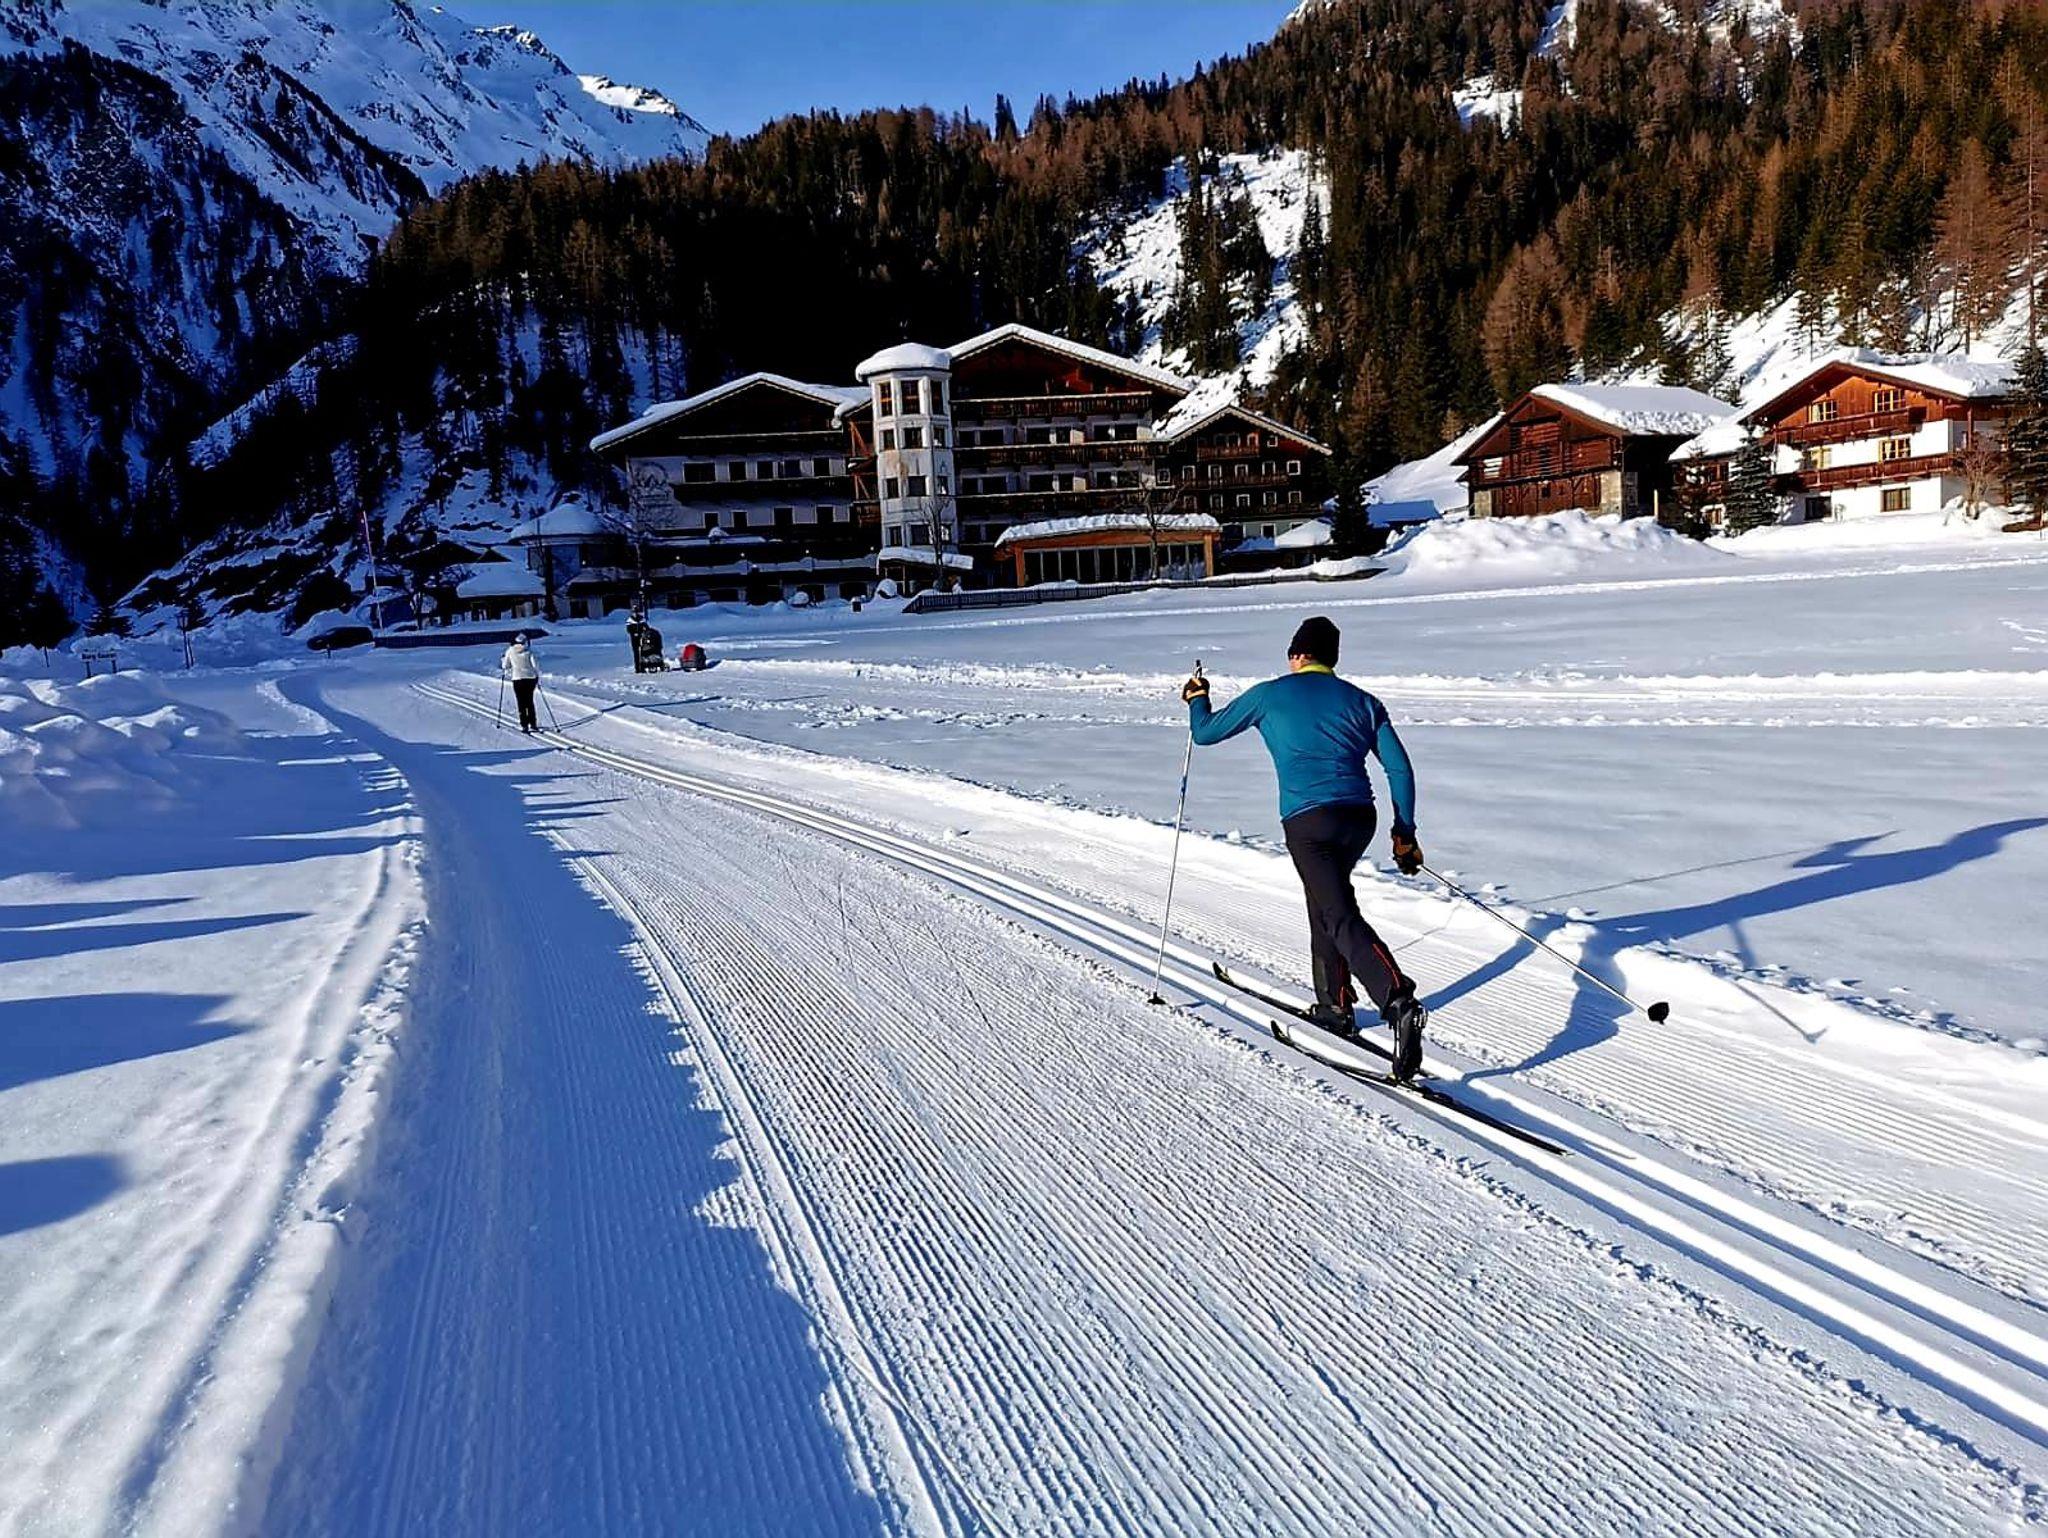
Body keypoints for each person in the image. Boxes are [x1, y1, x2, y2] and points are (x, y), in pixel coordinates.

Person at [1183, 616, 1429, 1080]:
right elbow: (1399, 769)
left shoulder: (1269, 695)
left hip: (1309, 823)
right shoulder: (1364, 701)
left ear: (1297, 655)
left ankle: (1398, 1000)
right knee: (1326, 901)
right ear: (1331, 659)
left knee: (1338, 914)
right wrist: (1405, 831)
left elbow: (1206, 732)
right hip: (1359, 818)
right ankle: (1334, 1005)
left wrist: (1197, 699)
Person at [501, 632, 541, 732]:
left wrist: (503, 659)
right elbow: (535, 665)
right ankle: (533, 723)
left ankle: (524, 725)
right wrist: (536, 675)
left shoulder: (510, 651)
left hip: (517, 678)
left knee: (521, 702)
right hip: (530, 678)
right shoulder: (529, 651)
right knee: (529, 701)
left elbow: (505, 666)